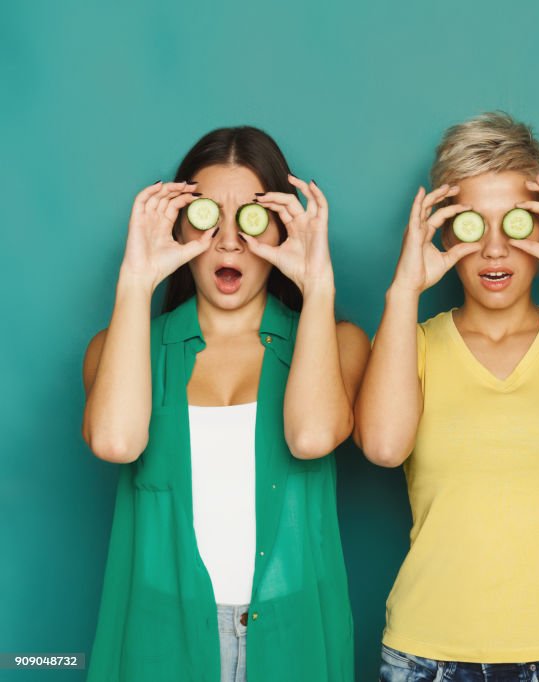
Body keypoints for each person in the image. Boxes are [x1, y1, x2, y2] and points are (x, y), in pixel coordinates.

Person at [355, 111, 539, 681]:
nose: (494, 249)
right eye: (470, 225)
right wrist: (401, 292)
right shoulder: (410, 344)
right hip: (429, 655)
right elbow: (384, 447)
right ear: (443, 233)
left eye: (515, 224)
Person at [82, 126, 368, 682]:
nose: (230, 241)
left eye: (253, 217)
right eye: (209, 216)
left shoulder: (340, 343)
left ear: (282, 228)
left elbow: (311, 436)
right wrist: (136, 280)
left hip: (293, 635)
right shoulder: (124, 345)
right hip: (160, 636)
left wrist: (318, 282)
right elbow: (116, 442)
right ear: (180, 224)